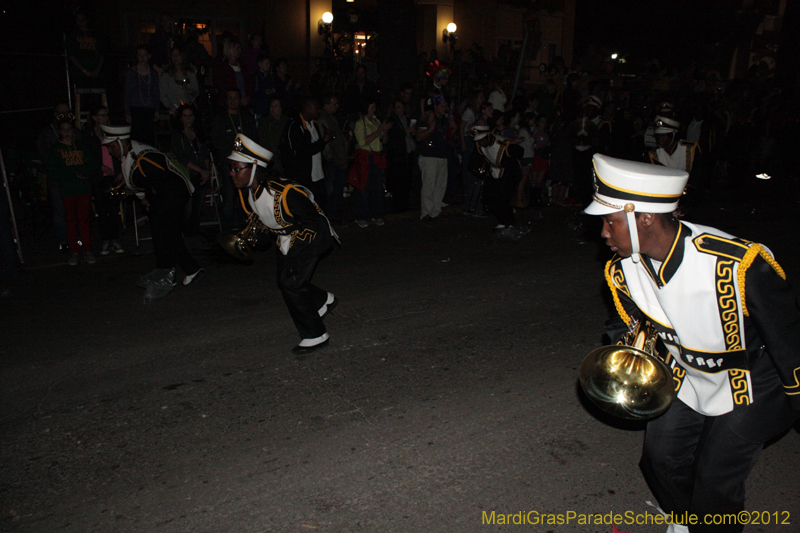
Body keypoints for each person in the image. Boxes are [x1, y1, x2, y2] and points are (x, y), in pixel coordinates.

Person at [583, 153, 800, 533]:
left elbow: (788, 339)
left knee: (715, 483)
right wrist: (631, 346)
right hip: (685, 375)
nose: (603, 232)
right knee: (660, 460)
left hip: (752, 384)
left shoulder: (737, 263)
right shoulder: (622, 269)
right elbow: (622, 321)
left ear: (644, 218)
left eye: (609, 221)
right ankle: (686, 522)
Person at [227, 134, 339, 355]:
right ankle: (322, 299)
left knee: (291, 283)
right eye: (231, 169)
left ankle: (315, 334)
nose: (231, 173)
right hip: (286, 237)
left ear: (254, 168)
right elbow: (264, 225)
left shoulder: (284, 193)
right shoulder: (247, 193)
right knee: (285, 281)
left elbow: (312, 221)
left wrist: (296, 252)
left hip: (312, 235)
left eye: (236, 169)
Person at [102, 124, 203, 289]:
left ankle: (179, 270)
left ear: (121, 142)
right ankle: (169, 271)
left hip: (173, 194)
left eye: (111, 146)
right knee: (161, 233)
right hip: (162, 195)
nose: (109, 151)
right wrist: (143, 199)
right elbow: (144, 182)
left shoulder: (143, 157)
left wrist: (148, 200)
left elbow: (160, 181)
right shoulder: (129, 154)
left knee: (167, 233)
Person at [46, 119, 97, 266]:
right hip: (68, 190)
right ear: (59, 132)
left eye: (69, 129)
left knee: (84, 220)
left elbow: (92, 164)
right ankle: (74, 251)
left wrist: (85, 173)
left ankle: (87, 250)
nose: (67, 132)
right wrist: (72, 174)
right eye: (64, 129)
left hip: (83, 189)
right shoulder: (56, 150)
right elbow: (52, 171)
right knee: (71, 221)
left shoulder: (81, 146)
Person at [468, 125, 529, 241]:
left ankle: (509, 222)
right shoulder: (480, 144)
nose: (481, 143)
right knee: (489, 196)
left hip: (509, 171)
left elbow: (519, 152)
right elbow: (474, 159)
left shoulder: (504, 144)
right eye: (479, 141)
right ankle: (502, 220)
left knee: (503, 197)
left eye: (482, 140)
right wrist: (477, 170)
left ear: (488, 136)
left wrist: (509, 162)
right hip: (494, 170)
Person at [211, 88, 257, 231]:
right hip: (229, 164)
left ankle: (247, 229)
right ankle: (226, 232)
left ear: (240, 99)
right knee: (229, 198)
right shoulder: (220, 118)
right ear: (226, 100)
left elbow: (254, 137)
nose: (233, 101)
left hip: (246, 164)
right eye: (230, 98)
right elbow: (215, 141)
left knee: (248, 197)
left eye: (235, 98)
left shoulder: (246, 116)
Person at [37, 103, 81, 252]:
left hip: (75, 178)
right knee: (60, 210)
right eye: (61, 112)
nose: (65, 115)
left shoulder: (77, 132)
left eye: (67, 112)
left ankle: (78, 238)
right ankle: (64, 241)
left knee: (76, 208)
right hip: (58, 179)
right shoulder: (48, 134)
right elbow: (46, 159)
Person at [280, 98, 334, 211]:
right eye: (316, 108)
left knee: (321, 206)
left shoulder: (314, 124)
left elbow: (317, 150)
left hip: (318, 175)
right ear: (307, 109)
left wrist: (323, 167)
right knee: (306, 208)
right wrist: (323, 140)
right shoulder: (294, 126)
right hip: (303, 177)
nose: (319, 111)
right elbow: (303, 151)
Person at [85, 106, 125, 255]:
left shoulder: (112, 132)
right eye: (101, 115)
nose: (105, 118)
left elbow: (121, 151)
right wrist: (100, 167)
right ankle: (105, 240)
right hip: (99, 177)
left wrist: (120, 171)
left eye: (106, 115)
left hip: (113, 176)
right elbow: (87, 156)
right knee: (102, 210)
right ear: (94, 117)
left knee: (114, 209)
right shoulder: (89, 135)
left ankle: (115, 239)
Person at [348, 99, 390, 227]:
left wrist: (385, 130)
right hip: (365, 158)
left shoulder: (376, 121)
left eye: (374, 107)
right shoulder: (360, 123)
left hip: (377, 157)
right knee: (363, 188)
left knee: (377, 188)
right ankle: (360, 216)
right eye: (371, 107)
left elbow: (384, 140)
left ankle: (376, 214)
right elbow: (362, 142)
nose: (374, 110)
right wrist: (378, 131)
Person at [171, 104, 211, 238]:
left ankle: (195, 232)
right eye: (185, 116)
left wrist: (206, 171)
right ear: (181, 118)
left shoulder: (198, 133)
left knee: (198, 206)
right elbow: (181, 157)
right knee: (188, 206)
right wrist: (200, 170)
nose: (188, 119)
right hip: (187, 174)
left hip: (201, 173)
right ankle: (186, 233)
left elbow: (205, 153)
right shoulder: (177, 135)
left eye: (190, 116)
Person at [416, 95, 454, 222]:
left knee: (440, 186)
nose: (444, 108)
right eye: (442, 106)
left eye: (445, 106)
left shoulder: (444, 120)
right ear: (435, 106)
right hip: (429, 156)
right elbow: (419, 136)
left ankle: (435, 211)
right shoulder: (427, 118)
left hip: (442, 155)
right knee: (429, 186)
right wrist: (430, 129)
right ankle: (426, 212)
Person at [317, 95, 349, 222]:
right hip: (332, 159)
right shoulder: (322, 118)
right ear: (326, 105)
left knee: (337, 186)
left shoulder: (330, 118)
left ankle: (333, 212)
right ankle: (327, 214)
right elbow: (323, 135)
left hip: (338, 158)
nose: (337, 107)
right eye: (334, 104)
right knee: (330, 187)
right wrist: (327, 153)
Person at [384, 97, 416, 213]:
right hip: (397, 156)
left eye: (402, 107)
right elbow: (391, 139)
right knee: (398, 182)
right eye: (398, 107)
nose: (401, 109)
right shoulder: (392, 121)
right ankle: (397, 206)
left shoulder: (407, 120)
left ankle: (405, 205)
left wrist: (412, 132)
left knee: (407, 181)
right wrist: (404, 132)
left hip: (407, 153)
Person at [124, 45, 160, 146]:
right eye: (140, 55)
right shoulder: (131, 72)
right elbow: (127, 93)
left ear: (149, 56)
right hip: (135, 108)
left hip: (149, 108)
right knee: (136, 138)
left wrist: (157, 109)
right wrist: (127, 113)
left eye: (145, 55)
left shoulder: (153, 73)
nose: (142, 57)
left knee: (149, 138)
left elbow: (156, 92)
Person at [65, 10, 106, 89]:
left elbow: (102, 54)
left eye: (83, 20)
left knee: (97, 93)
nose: (80, 23)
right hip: (80, 74)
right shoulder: (73, 36)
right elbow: (71, 56)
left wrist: (97, 70)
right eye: (78, 20)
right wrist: (84, 71)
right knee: (82, 93)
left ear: (87, 20)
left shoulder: (95, 35)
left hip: (95, 73)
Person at [160, 46, 199, 115]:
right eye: (173, 55)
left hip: (189, 108)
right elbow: (163, 95)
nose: (175, 57)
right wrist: (171, 106)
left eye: (177, 55)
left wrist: (191, 92)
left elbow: (196, 91)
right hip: (174, 109)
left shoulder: (190, 74)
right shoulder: (166, 76)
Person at [214, 39, 252, 108]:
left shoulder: (243, 66)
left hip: (244, 102)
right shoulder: (223, 67)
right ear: (230, 49)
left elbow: (249, 84)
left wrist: (248, 97)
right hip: (230, 104)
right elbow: (222, 87)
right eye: (237, 48)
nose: (240, 51)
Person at [257, 96, 288, 175]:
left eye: (276, 106)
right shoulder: (264, 121)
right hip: (271, 157)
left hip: (285, 157)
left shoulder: (287, 121)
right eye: (271, 106)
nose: (273, 108)